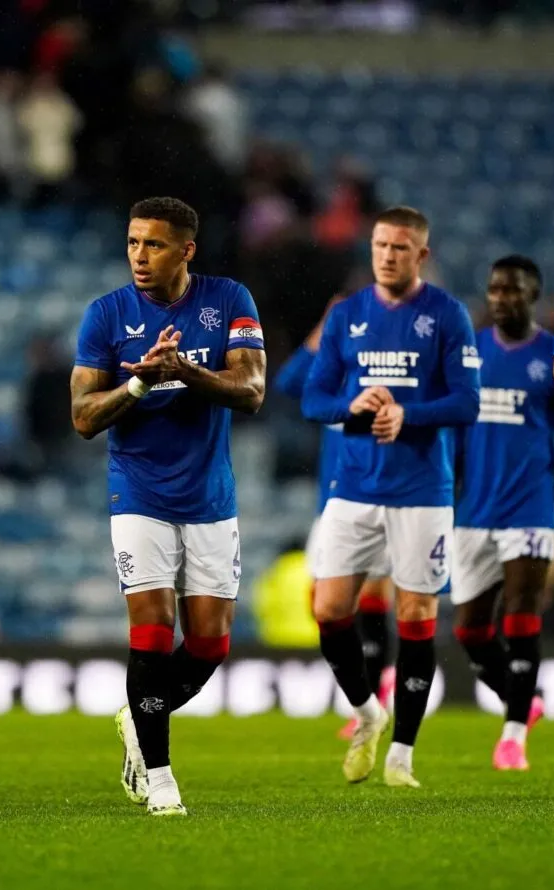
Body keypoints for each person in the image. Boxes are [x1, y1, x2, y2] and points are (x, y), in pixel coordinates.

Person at [71, 197, 266, 817]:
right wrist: (139, 382)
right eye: (132, 243)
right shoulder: (106, 315)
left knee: (208, 645)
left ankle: (137, 714)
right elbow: (81, 418)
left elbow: (252, 390)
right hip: (139, 492)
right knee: (152, 631)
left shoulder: (230, 299)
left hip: (210, 494)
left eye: (153, 245)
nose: (138, 256)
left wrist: (186, 370)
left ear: (187, 250)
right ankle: (159, 778)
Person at [302, 206, 480, 788]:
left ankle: (402, 754)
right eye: (380, 245)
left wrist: (409, 414)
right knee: (329, 610)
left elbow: (466, 403)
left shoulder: (447, 315)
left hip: (422, 491)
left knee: (416, 616)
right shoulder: (347, 315)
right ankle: (367, 714)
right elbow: (313, 397)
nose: (387, 255)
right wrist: (350, 409)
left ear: (421, 255)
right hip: (353, 487)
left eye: (400, 248)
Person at [452, 255, 554, 771]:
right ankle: (523, 700)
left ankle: (513, 734)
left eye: (514, 290)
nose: (502, 298)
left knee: (522, 615)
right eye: (495, 289)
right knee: (470, 631)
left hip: (530, 508)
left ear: (534, 296)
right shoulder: (469, 351)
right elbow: (453, 430)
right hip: (471, 511)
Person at [273, 297, 395, 740]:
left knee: (373, 598)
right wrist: (320, 331)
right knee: (324, 602)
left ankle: (374, 700)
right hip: (332, 506)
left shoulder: (387, 374)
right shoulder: (333, 377)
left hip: (376, 500)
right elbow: (286, 384)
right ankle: (369, 693)